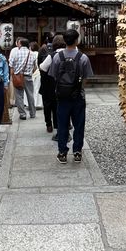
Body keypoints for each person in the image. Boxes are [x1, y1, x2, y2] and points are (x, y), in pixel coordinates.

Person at [49, 28, 93, 164]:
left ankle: (62, 152)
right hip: (78, 96)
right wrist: (78, 87)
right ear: (76, 40)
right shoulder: (83, 57)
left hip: (62, 96)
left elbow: (53, 75)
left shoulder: (57, 57)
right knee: (78, 124)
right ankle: (77, 152)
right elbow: (86, 78)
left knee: (62, 124)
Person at [39, 34, 65, 137]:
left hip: (50, 84)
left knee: (48, 105)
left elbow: (42, 67)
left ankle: (49, 124)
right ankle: (59, 125)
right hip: (65, 85)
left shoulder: (52, 55)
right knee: (59, 106)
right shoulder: (71, 54)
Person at [9, 37, 36, 120]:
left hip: (18, 77)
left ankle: (22, 114)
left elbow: (11, 65)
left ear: (20, 44)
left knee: (19, 96)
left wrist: (13, 74)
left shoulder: (15, 53)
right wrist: (30, 72)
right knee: (30, 95)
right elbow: (35, 67)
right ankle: (32, 113)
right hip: (28, 77)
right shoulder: (32, 54)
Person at [30, 41, 42, 109]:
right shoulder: (39, 54)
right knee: (37, 88)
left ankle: (31, 103)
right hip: (38, 72)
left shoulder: (30, 54)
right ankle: (38, 103)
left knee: (31, 89)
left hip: (31, 72)